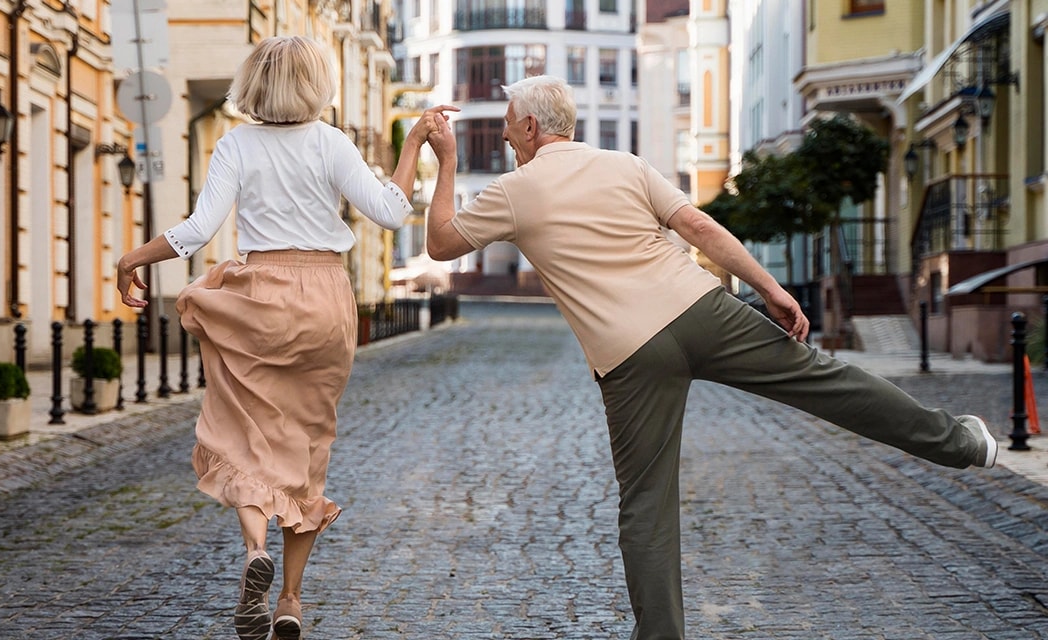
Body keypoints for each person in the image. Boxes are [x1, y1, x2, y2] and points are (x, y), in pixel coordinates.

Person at [418, 75, 997, 640]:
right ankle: (961, 443)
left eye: (506, 132)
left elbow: (440, 243)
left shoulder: (515, 192)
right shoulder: (626, 164)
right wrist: (770, 288)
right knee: (829, 382)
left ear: (528, 124)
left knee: (646, 504)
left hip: (629, 354)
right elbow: (696, 225)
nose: (504, 142)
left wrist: (445, 161)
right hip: (700, 309)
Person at [116, 36, 456, 640]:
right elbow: (387, 209)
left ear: (254, 84)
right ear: (316, 84)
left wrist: (131, 260)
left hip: (260, 299)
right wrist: (413, 144)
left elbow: (196, 230)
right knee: (307, 446)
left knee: (237, 434)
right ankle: (291, 601)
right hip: (325, 300)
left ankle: (254, 553)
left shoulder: (236, 144)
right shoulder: (332, 143)